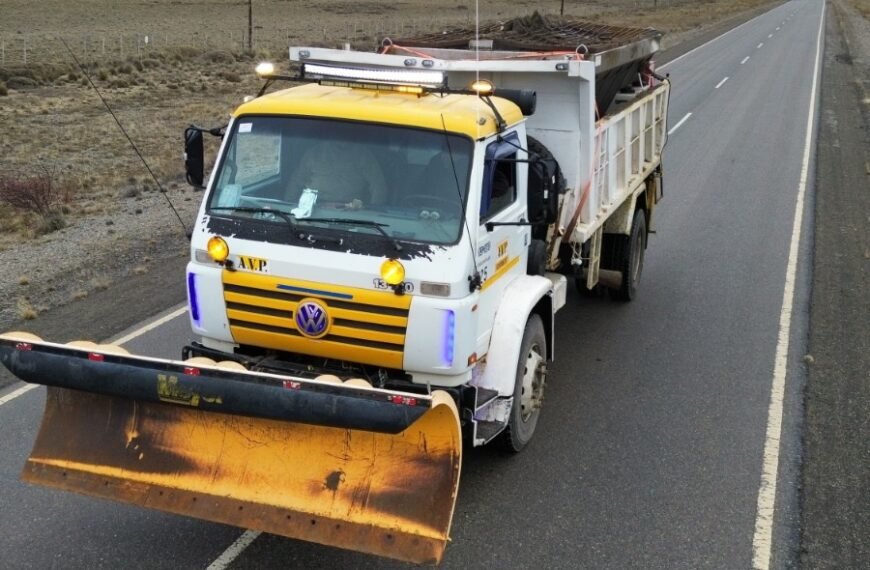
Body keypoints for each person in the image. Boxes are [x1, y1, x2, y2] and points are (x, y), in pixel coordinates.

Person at [288, 139, 388, 208]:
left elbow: (378, 187)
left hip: (351, 211)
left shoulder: (364, 155)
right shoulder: (314, 153)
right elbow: (297, 181)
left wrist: (372, 214)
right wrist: (289, 207)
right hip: (316, 209)